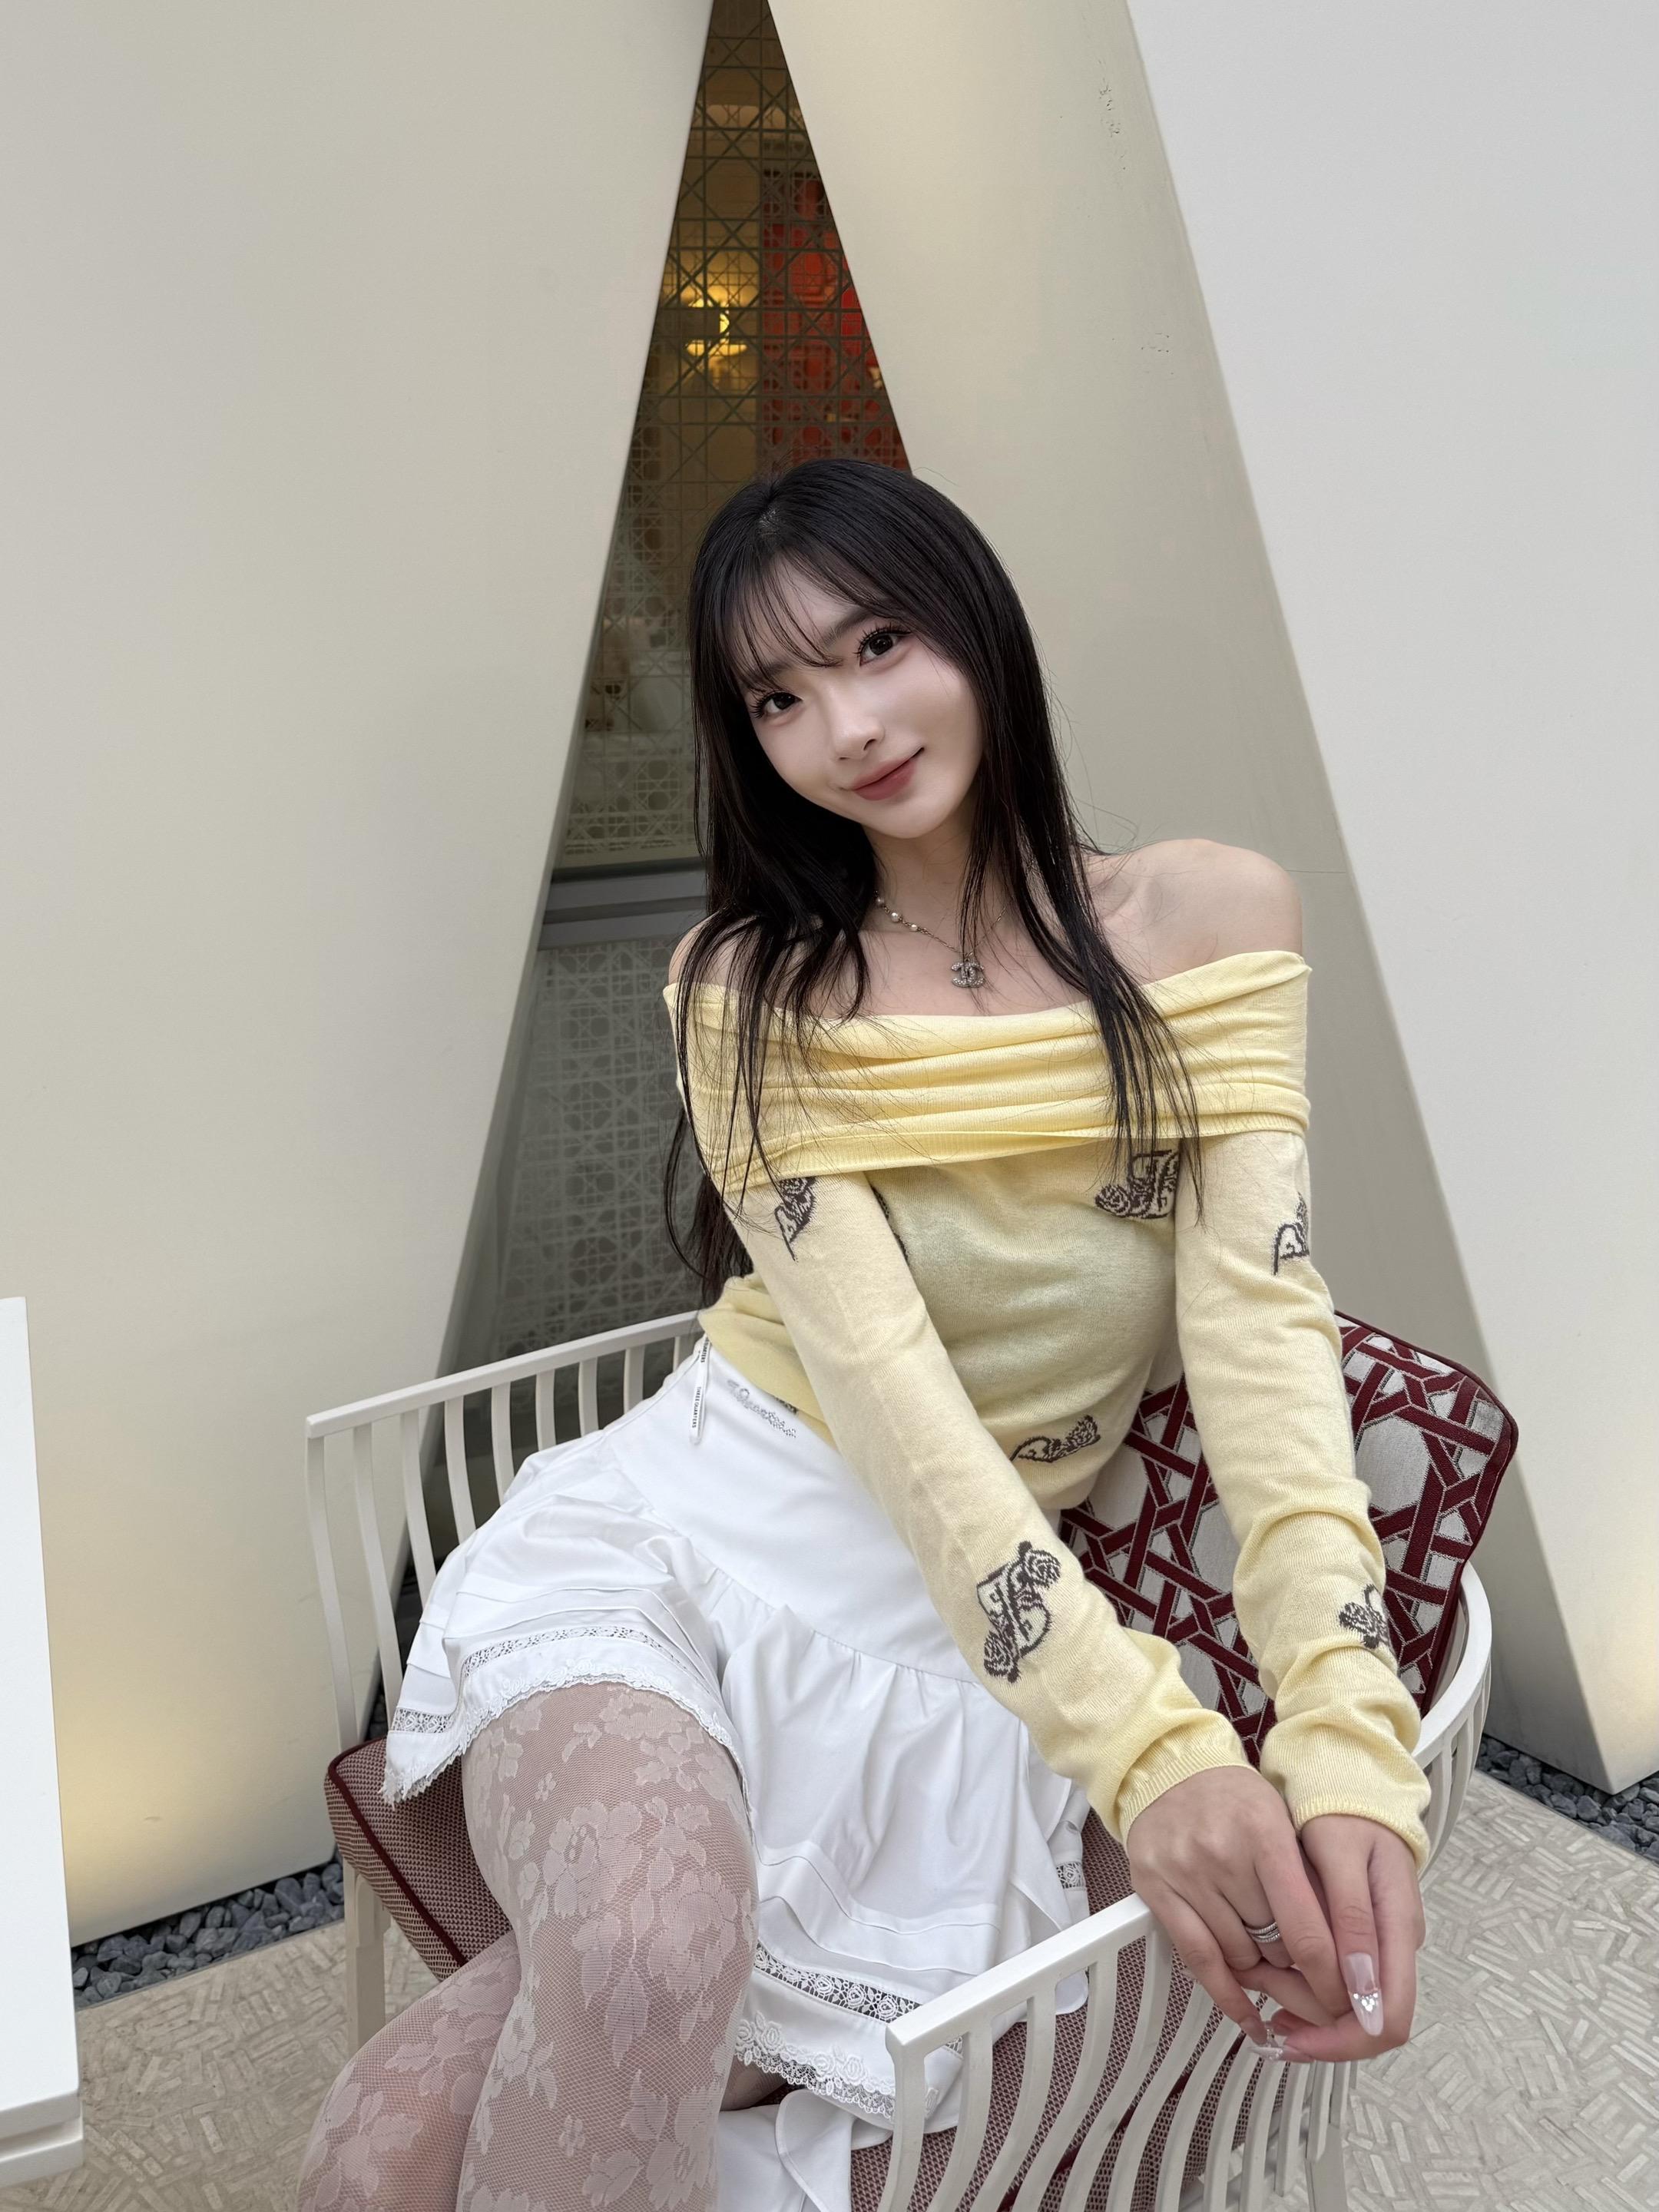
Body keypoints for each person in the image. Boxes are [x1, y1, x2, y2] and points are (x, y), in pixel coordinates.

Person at [296, 457, 1429, 2212]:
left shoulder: (1209, 920)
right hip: (697, 1531)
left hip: (941, 1631)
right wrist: (1160, 1754)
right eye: (778, 696)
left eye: (880, 644)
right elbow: (895, 1409)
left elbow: (1267, 1342)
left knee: (438, 2111)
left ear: (976, 622)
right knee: (643, 1957)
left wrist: (1345, 1736)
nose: (847, 727)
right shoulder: (750, 987)